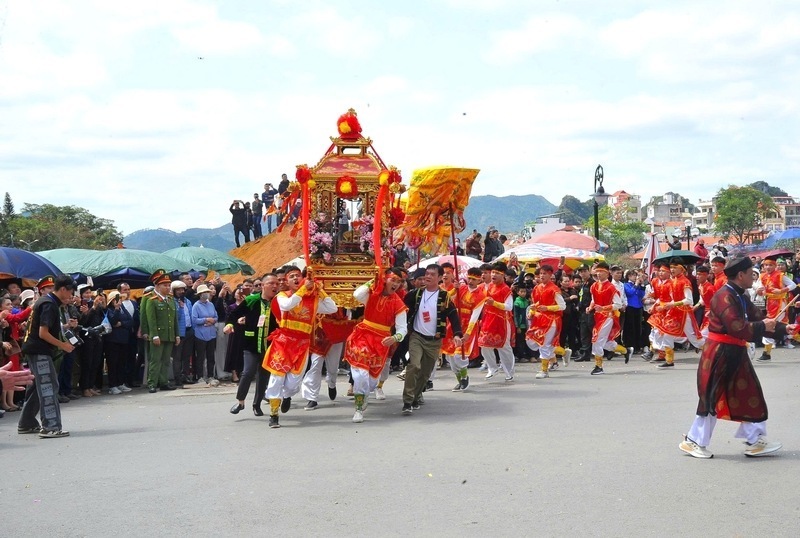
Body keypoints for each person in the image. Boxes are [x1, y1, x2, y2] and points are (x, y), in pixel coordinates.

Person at [679, 255, 787, 459]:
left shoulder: (739, 295)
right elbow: (737, 327)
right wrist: (764, 326)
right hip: (720, 353)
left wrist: (784, 328)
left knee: (749, 393)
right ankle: (693, 440)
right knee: (711, 397)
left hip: (735, 352)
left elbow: (758, 318)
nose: (753, 279)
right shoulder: (724, 296)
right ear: (740, 275)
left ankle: (755, 440)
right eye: (750, 274)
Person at [261, 266, 337, 428]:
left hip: (302, 345)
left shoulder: (312, 301)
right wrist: (303, 290)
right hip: (283, 342)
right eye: (292, 276)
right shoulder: (282, 296)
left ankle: (287, 396)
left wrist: (320, 291)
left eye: (298, 276)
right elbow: (288, 306)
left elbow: (332, 308)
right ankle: (274, 415)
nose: (295, 278)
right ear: (287, 281)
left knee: (294, 383)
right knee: (277, 377)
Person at [343, 268, 408, 423]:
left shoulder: (397, 303)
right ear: (385, 279)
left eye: (399, 282)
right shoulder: (372, 293)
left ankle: (365, 395)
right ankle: (358, 409)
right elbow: (357, 295)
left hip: (381, 341)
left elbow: (402, 328)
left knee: (371, 381)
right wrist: (373, 281)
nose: (396, 284)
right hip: (363, 336)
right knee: (360, 374)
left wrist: (395, 337)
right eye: (393, 280)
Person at [17, 275, 75, 438]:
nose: (71, 295)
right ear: (63, 289)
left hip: (34, 349)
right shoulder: (49, 304)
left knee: (38, 387)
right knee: (49, 386)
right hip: (39, 350)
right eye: (70, 291)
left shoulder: (45, 301)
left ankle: (26, 423)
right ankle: (50, 426)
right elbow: (43, 333)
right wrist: (62, 345)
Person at [401, 264, 462, 414]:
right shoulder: (415, 294)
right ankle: (407, 402)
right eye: (427, 274)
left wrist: (457, 334)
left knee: (425, 373)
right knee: (414, 366)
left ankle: (416, 396)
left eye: (432, 274)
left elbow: (453, 315)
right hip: (416, 337)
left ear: (440, 278)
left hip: (434, 341)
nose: (427, 277)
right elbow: (400, 307)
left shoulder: (444, 296)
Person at [226, 273, 279, 416]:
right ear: (262, 285)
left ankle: (257, 404)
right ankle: (240, 402)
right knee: (248, 372)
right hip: (250, 344)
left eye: (277, 283)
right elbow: (234, 314)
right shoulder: (251, 300)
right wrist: (231, 324)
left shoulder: (279, 302)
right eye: (271, 283)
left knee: (264, 375)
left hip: (270, 346)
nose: (275, 286)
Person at [649, 260, 705, 369]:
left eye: (675, 267)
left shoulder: (685, 282)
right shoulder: (673, 281)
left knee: (693, 338)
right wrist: (665, 306)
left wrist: (672, 304)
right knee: (666, 333)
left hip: (684, 313)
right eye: (671, 267)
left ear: (682, 269)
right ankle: (669, 361)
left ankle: (713, 351)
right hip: (674, 312)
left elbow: (689, 300)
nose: (672, 270)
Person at [587, 262, 632, 375]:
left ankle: (599, 366)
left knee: (597, 339)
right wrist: (590, 307)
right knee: (606, 343)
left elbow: (617, 304)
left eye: (601, 271)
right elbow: (594, 300)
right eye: (597, 271)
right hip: (597, 316)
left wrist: (603, 308)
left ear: (607, 273)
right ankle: (625, 351)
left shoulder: (611, 288)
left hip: (608, 317)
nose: (598, 274)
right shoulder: (594, 286)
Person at [473, 261, 516, 381]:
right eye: (492, 272)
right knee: (484, 345)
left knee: (504, 347)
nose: (493, 275)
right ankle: (492, 368)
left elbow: (509, 306)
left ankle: (509, 372)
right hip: (488, 319)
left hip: (501, 320)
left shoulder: (505, 289)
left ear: (503, 275)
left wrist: (494, 303)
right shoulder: (488, 286)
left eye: (497, 273)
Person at [526, 264, 567, 379]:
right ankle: (563, 352)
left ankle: (544, 370)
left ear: (550, 275)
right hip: (539, 320)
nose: (542, 276)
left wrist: (548, 308)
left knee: (544, 344)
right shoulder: (536, 288)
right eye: (541, 274)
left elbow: (562, 306)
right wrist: (532, 312)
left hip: (551, 320)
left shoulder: (554, 289)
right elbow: (535, 304)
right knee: (532, 341)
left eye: (545, 273)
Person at [143, 269, 180, 393]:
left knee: (166, 360)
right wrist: (153, 335)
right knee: (155, 360)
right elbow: (151, 320)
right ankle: (152, 383)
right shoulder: (151, 300)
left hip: (169, 334)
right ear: (157, 286)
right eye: (165, 285)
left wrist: (177, 335)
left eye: (169, 285)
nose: (168, 288)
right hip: (158, 334)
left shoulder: (170, 299)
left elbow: (174, 319)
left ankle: (164, 382)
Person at [754, 255, 797, 361]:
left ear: (774, 266)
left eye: (770, 265)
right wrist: (759, 291)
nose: (768, 267)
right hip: (769, 303)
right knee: (781, 326)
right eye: (766, 265)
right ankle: (767, 353)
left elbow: (793, 285)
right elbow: (760, 289)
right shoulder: (762, 276)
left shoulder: (780, 275)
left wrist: (782, 290)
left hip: (780, 304)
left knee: (771, 325)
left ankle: (766, 353)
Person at [192, 284, 219, 385]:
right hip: (200, 335)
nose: (206, 294)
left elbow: (216, 316)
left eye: (207, 292)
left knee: (211, 357)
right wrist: (206, 320)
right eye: (204, 293)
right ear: (200, 294)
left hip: (211, 334)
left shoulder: (210, 304)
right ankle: (200, 376)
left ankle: (211, 376)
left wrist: (212, 321)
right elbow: (194, 319)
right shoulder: (196, 305)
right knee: (200, 357)